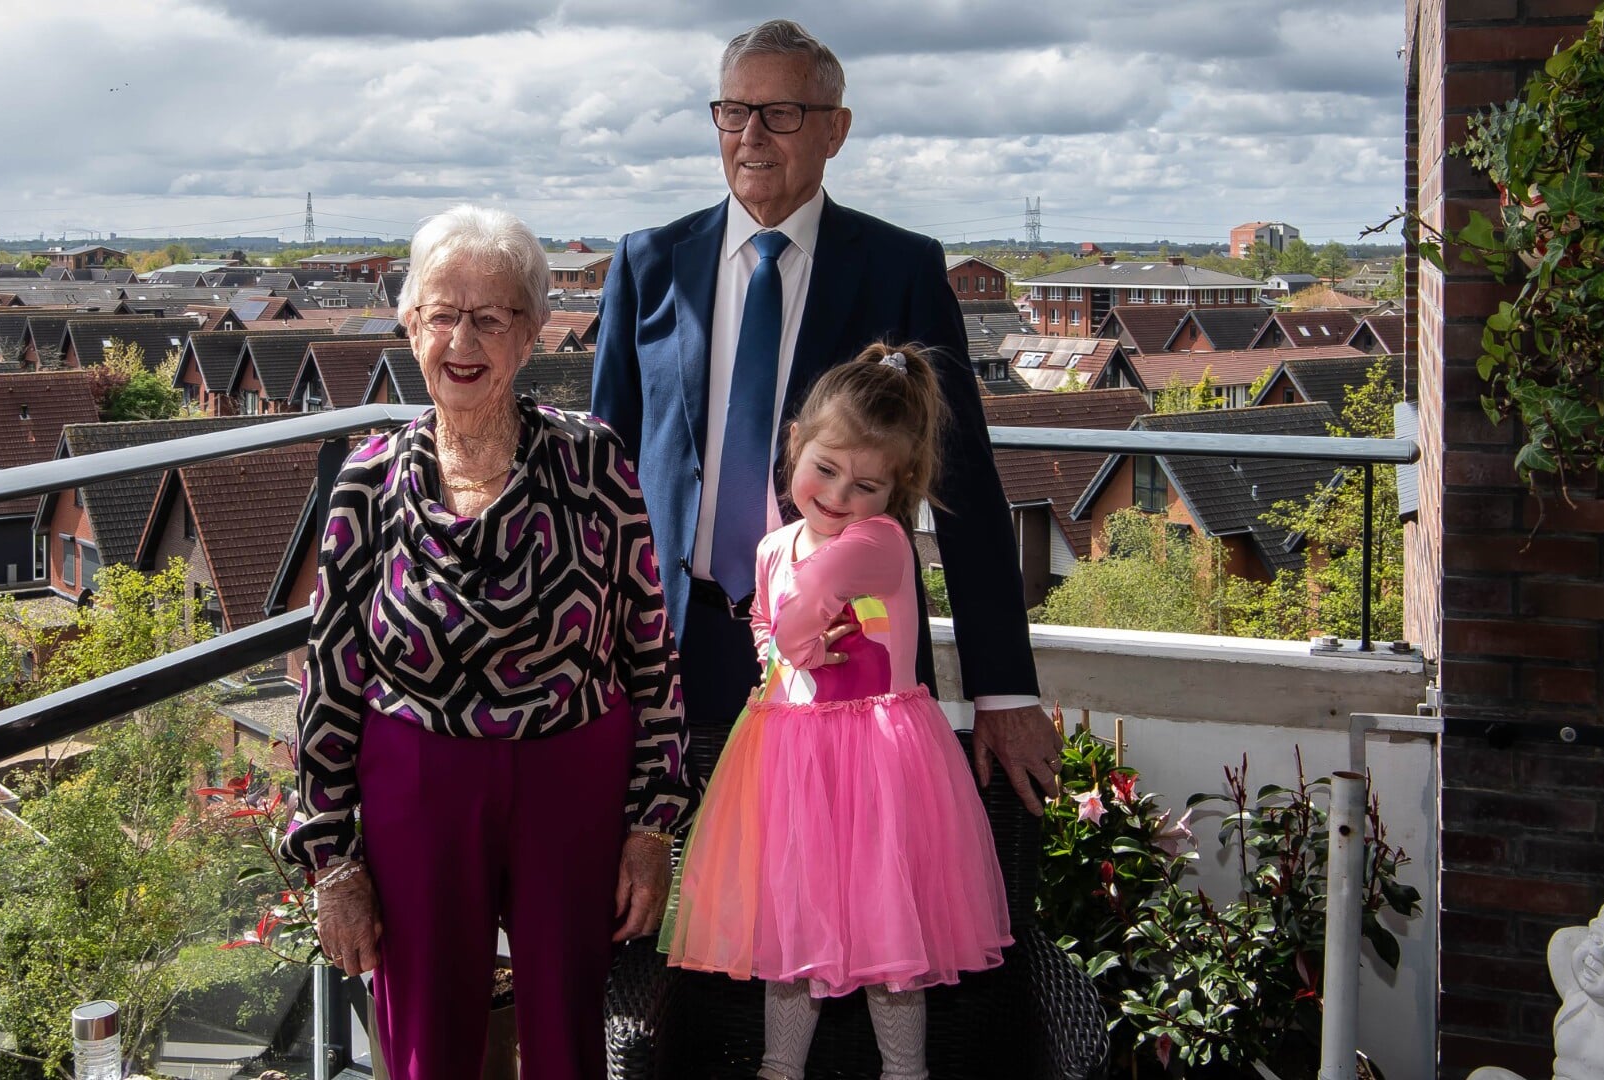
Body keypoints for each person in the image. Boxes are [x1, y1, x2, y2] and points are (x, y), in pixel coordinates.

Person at [590, 19, 1061, 820]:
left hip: (850, 655)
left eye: (780, 113)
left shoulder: (900, 269)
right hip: (674, 644)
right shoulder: (649, 263)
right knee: (680, 905)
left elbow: (966, 487)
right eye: (733, 111)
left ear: (835, 131)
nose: (751, 136)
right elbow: (601, 478)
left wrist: (1003, 688)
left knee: (832, 892)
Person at [280, 205, 693, 1080]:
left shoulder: (595, 462)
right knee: (426, 1042)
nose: (462, 339)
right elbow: (332, 674)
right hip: (417, 786)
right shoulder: (366, 479)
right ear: (409, 325)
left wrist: (654, 826)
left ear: (532, 331)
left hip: (572, 777)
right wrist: (331, 860)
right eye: (442, 313)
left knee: (570, 1035)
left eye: (491, 315)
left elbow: (651, 651)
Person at [660, 344, 1012, 1080]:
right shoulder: (771, 545)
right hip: (793, 758)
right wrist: (784, 652)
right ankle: (779, 1068)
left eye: (866, 484)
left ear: (895, 493)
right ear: (795, 444)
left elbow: (798, 617)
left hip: (877, 763)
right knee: (793, 932)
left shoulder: (878, 543)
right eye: (825, 467)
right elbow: (768, 624)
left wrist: (798, 643)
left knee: (889, 934)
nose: (838, 493)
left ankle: (904, 1071)